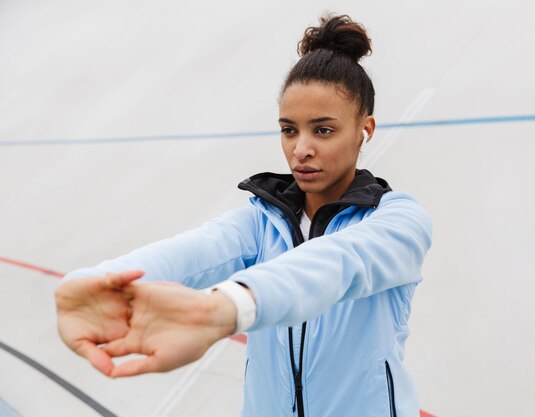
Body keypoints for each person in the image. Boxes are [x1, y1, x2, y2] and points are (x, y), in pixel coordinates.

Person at [55, 13, 433, 417]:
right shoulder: (259, 223)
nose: (300, 149)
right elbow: (189, 252)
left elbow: (333, 265)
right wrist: (91, 286)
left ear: (365, 129)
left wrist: (224, 307)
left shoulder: (398, 222)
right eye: (289, 129)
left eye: (322, 130)